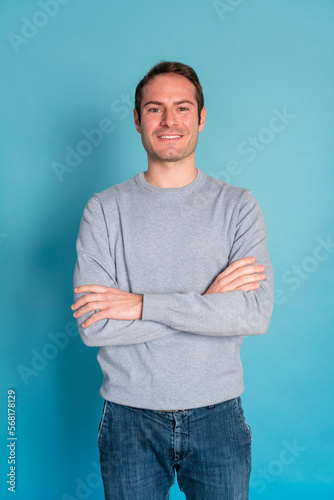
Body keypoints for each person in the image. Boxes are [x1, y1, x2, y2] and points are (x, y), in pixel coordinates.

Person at [71, 61, 274, 500]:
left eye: (182, 108)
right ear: (137, 119)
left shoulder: (238, 206)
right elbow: (94, 326)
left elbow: (255, 314)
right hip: (128, 419)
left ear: (201, 118)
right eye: (155, 109)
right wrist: (208, 302)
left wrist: (139, 304)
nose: (169, 121)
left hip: (219, 416)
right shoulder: (104, 210)